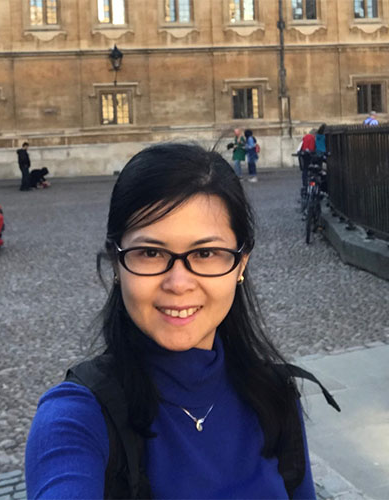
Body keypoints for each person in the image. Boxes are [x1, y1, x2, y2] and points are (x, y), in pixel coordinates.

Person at [25, 143, 321, 499]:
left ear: (241, 263)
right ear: (116, 263)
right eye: (151, 252)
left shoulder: (275, 397)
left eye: (206, 253)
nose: (179, 283)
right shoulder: (76, 418)